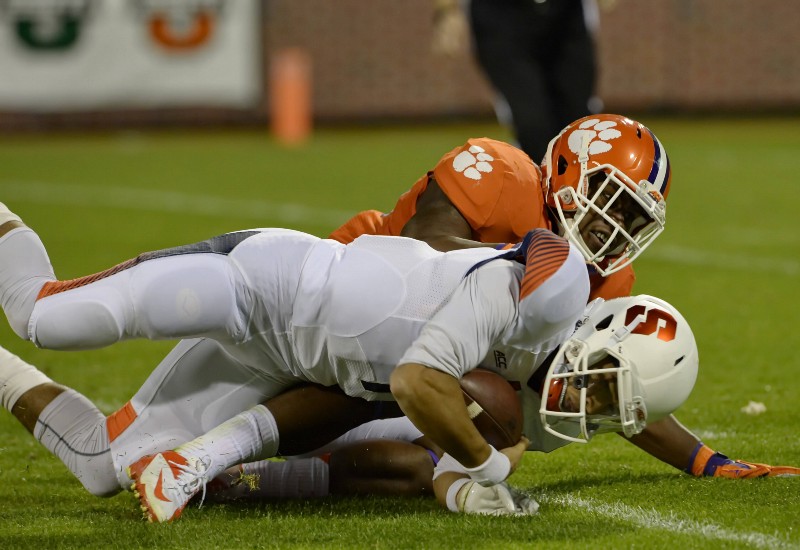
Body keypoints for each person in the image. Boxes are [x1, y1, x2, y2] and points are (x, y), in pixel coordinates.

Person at [0, 202, 699, 519]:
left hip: (297, 366)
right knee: (49, 319)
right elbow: (419, 380)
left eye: (608, 414)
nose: (589, 407)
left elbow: (413, 441)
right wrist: (489, 469)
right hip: (267, 287)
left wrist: (471, 487)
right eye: (601, 387)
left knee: (104, 469)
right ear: (596, 331)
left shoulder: (534, 414)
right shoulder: (555, 292)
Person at [432, 0, 600, 162]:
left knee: (580, 122)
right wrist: (448, 11)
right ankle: (540, 184)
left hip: (566, 14)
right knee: (534, 125)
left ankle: (587, 186)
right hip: (501, 17)